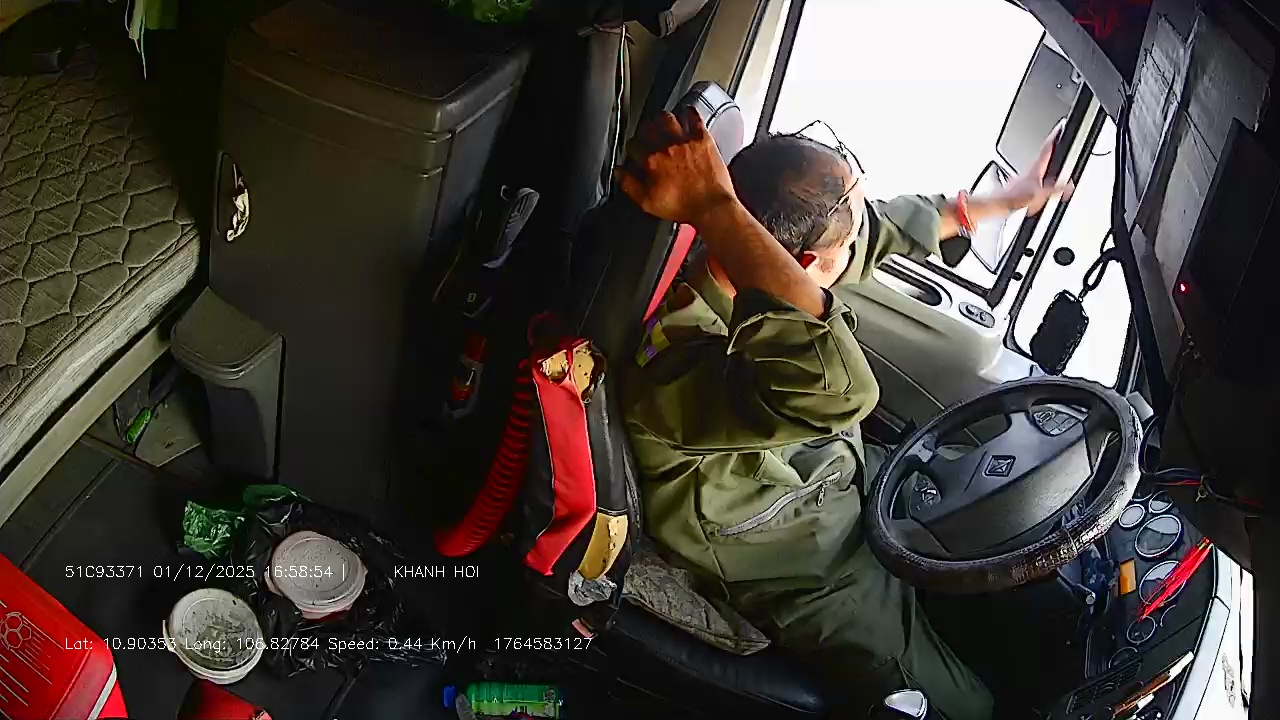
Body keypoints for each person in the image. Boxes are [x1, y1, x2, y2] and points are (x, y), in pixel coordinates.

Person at [616, 107, 1071, 720]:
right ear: (801, 266)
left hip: (846, 494)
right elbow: (842, 393)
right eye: (845, 243)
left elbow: (878, 231)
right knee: (971, 710)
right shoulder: (679, 363)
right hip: (808, 573)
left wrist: (1002, 201)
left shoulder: (750, 264)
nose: (860, 244)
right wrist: (714, 208)